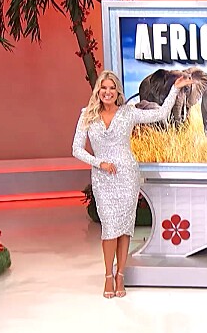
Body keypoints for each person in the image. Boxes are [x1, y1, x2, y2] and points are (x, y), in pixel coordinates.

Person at [71, 70, 193, 299]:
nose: (108, 92)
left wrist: (175, 89)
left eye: (112, 88)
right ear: (98, 91)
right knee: (109, 228)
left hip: (127, 176)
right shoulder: (87, 115)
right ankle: (108, 275)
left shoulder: (128, 113)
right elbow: (76, 149)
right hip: (103, 179)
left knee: (125, 228)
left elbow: (161, 114)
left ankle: (120, 275)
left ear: (117, 91)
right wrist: (99, 163)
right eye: (104, 88)